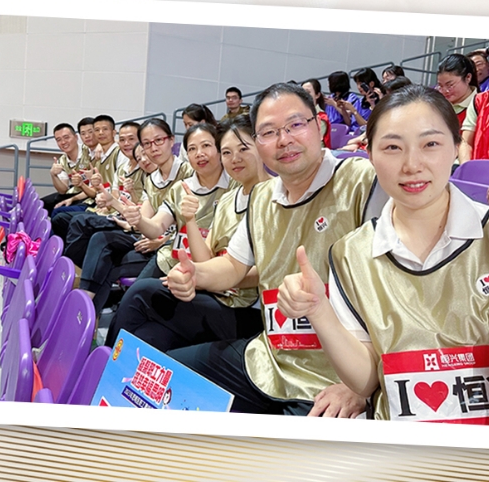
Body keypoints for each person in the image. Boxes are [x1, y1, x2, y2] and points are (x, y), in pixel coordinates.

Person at [277, 84, 489, 426]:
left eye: (430, 144)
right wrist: (319, 311)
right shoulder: (349, 253)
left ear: (456, 147)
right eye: (392, 147)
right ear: (370, 155)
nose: (412, 165)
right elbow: (366, 381)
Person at [162, 82, 386, 416]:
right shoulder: (262, 196)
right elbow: (233, 266)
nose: (284, 140)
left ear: (319, 126)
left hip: (336, 376)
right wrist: (196, 273)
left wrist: (363, 385)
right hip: (269, 357)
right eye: (268, 132)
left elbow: (398, 293)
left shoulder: (364, 182)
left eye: (295, 124)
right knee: (167, 375)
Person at [106, 115, 267, 352]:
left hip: (242, 305)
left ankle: (101, 363)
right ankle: (108, 365)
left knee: (140, 293)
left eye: (243, 149)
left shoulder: (264, 197)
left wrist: (202, 276)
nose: (235, 158)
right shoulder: (223, 200)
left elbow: (255, 271)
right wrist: (188, 221)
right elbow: (199, 255)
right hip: (207, 287)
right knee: (148, 336)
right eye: (192, 149)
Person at [64, 118, 192, 313]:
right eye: (147, 144)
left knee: (107, 257)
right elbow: (143, 221)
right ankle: (85, 307)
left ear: (171, 140)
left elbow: (186, 225)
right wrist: (114, 202)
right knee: (100, 240)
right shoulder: (153, 178)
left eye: (158, 140)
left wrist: (161, 240)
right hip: (149, 237)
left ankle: (84, 306)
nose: (152, 149)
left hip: (173, 246)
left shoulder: (188, 174)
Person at [118, 122, 235, 280]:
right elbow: (157, 227)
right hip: (172, 259)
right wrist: (138, 220)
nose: (199, 154)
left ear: (220, 149)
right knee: (139, 289)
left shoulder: (235, 187)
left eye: (206, 145)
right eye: (192, 149)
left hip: (214, 269)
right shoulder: (179, 188)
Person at [40, 123, 82, 213]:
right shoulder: (61, 161)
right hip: (75, 191)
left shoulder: (89, 152)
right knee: (41, 204)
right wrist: (53, 175)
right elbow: (63, 190)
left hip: (91, 195)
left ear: (76, 137)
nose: (63, 142)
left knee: (59, 212)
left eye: (66, 137)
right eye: (58, 140)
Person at [436, 54, 478, 127]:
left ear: (468, 77)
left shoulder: (481, 106)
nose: (445, 91)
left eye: (450, 85)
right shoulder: (438, 105)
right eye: (440, 86)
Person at [301, 78, 332, 147]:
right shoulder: (299, 115)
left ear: (317, 95)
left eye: (308, 92)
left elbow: (314, 141)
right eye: (302, 93)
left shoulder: (322, 117)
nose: (304, 96)